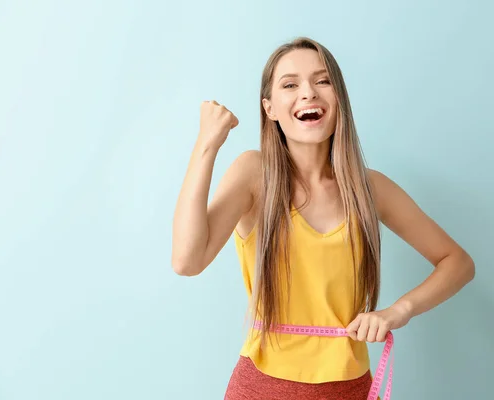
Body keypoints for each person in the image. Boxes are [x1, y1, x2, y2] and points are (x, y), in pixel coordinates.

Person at [171, 37, 475, 400]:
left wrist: (398, 311)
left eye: (322, 80)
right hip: (263, 387)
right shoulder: (255, 174)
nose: (308, 93)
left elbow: (458, 262)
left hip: (352, 388)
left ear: (338, 100)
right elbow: (187, 261)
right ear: (269, 108)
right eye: (290, 84)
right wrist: (207, 144)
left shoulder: (368, 188)